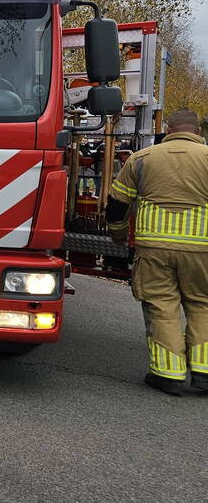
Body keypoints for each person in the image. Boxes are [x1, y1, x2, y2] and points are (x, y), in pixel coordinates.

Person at [108, 109, 208, 396]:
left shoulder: (143, 159)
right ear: (197, 132)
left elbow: (117, 203)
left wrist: (117, 235)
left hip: (153, 250)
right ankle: (204, 371)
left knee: (161, 307)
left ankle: (169, 375)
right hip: (202, 251)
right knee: (203, 305)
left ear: (168, 128)